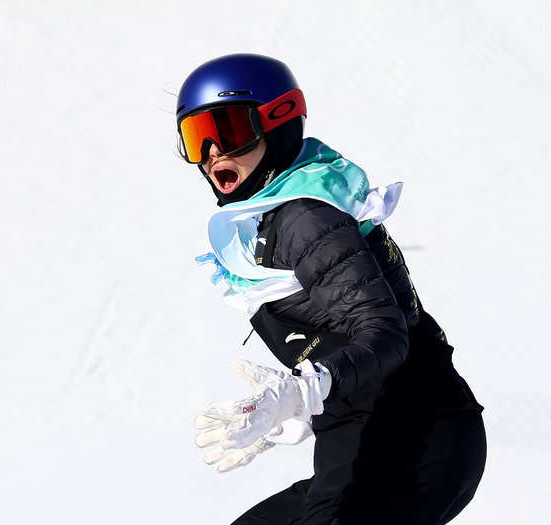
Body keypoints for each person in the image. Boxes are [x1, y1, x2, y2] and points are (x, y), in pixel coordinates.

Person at [177, 53, 486, 524]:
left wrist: (307, 389)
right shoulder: (274, 216)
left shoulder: (304, 218)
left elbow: (384, 333)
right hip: (373, 443)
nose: (216, 152)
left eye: (232, 130)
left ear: (278, 121)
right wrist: (299, 409)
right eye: (198, 138)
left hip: (413, 445)